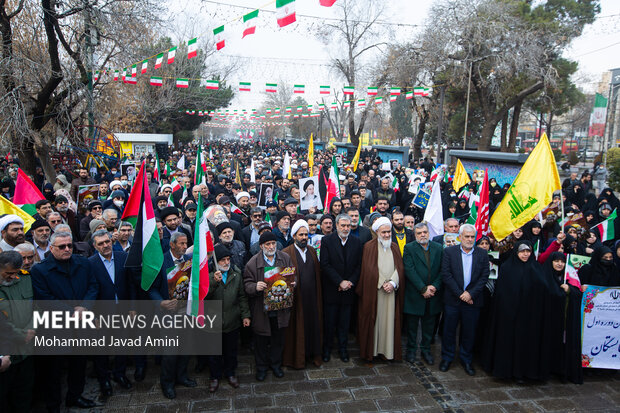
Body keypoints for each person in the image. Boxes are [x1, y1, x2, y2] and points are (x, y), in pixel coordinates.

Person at [30, 231, 98, 410]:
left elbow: (93, 286)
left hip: (81, 323)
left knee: (79, 364)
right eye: (62, 247)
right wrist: (71, 312)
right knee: (53, 370)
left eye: (70, 246)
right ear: (51, 248)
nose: (67, 249)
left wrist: (84, 307)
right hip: (56, 327)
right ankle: (53, 404)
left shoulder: (83, 263)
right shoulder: (39, 270)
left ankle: (75, 396)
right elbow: (44, 298)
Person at [483, 240, 552, 383]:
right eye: (522, 251)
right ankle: (507, 372)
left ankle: (526, 373)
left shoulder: (536, 268)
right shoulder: (508, 268)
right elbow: (502, 294)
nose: (525, 254)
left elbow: (543, 290)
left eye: (528, 251)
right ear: (516, 252)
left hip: (530, 317)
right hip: (510, 316)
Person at [146, 231, 196, 399]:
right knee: (170, 351)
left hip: (186, 312)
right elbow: (151, 288)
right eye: (181, 244)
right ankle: (167, 383)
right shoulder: (160, 261)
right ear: (172, 244)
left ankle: (182, 376)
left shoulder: (189, 260)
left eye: (185, 243)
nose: (184, 246)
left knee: (186, 347)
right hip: (168, 313)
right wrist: (161, 302)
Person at [89, 230, 135, 397]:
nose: (105, 245)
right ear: (95, 246)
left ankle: (119, 374)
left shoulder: (122, 257)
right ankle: (104, 380)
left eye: (107, 241)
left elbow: (130, 284)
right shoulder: (90, 263)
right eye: (100, 243)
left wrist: (132, 307)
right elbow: (90, 291)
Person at [439, 224, 489, 376]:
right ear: (460, 237)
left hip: (472, 301)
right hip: (453, 299)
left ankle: (466, 359)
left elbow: (484, 276)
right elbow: (446, 274)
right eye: (466, 236)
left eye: (472, 237)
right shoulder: (449, 252)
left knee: (469, 331)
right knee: (449, 331)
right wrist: (461, 294)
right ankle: (447, 358)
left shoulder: (482, 254)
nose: (469, 239)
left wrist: (470, 294)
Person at [243, 231, 293, 381]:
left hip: (280, 307)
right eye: (268, 244)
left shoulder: (285, 258)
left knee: (278, 339)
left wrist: (293, 282)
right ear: (261, 246)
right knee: (261, 341)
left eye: (273, 244)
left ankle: (276, 365)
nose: (271, 247)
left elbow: (292, 275)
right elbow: (246, 284)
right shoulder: (252, 263)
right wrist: (255, 286)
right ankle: (261, 368)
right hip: (261, 309)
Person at [356, 217, 405, 362]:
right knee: (374, 322)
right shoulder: (368, 247)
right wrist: (382, 282)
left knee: (389, 323)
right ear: (377, 232)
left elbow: (400, 268)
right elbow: (368, 269)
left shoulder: (395, 247)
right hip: (375, 292)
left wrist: (393, 283)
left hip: (391, 293)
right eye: (383, 232)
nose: (387, 235)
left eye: (389, 232)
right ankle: (373, 352)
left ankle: (388, 352)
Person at [206, 244, 251, 393]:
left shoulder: (236, 274)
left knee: (231, 351)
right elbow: (203, 297)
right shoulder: (208, 275)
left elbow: (242, 297)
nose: (226, 263)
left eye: (228, 259)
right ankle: (215, 377)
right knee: (214, 352)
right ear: (215, 262)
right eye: (222, 260)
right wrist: (213, 281)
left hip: (232, 319)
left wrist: (245, 315)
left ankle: (231, 373)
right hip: (213, 320)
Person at [320, 214, 362, 362]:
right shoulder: (326, 241)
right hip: (332, 289)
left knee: (344, 323)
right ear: (336, 226)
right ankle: (327, 350)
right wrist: (339, 282)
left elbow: (359, 266)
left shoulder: (357, 242)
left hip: (348, 290)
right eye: (342, 225)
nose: (345, 228)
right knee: (329, 323)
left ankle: (343, 350)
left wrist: (349, 282)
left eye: (348, 226)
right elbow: (325, 264)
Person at [282, 220, 323, 369]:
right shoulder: (286, 253)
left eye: (306, 234)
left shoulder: (312, 250)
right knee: (296, 328)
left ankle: (312, 354)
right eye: (301, 235)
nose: (304, 237)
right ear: (294, 236)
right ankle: (297, 358)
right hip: (296, 300)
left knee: (312, 326)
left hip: (312, 299)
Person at [402, 223, 443, 365]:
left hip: (433, 295)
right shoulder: (409, 248)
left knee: (429, 326)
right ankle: (411, 350)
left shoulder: (438, 248)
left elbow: (442, 270)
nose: (422, 235)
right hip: (415, 294)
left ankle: (426, 350)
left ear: (429, 233)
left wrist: (434, 287)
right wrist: (423, 288)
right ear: (415, 234)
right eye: (419, 233)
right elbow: (409, 270)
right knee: (412, 327)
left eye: (425, 232)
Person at [0, 251, 35, 412]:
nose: (13, 277)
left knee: (24, 394)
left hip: (27, 351)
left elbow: (35, 307)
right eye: (8, 273)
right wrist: (21, 335)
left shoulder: (25, 279)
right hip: (6, 353)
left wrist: (32, 329)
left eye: (15, 273)